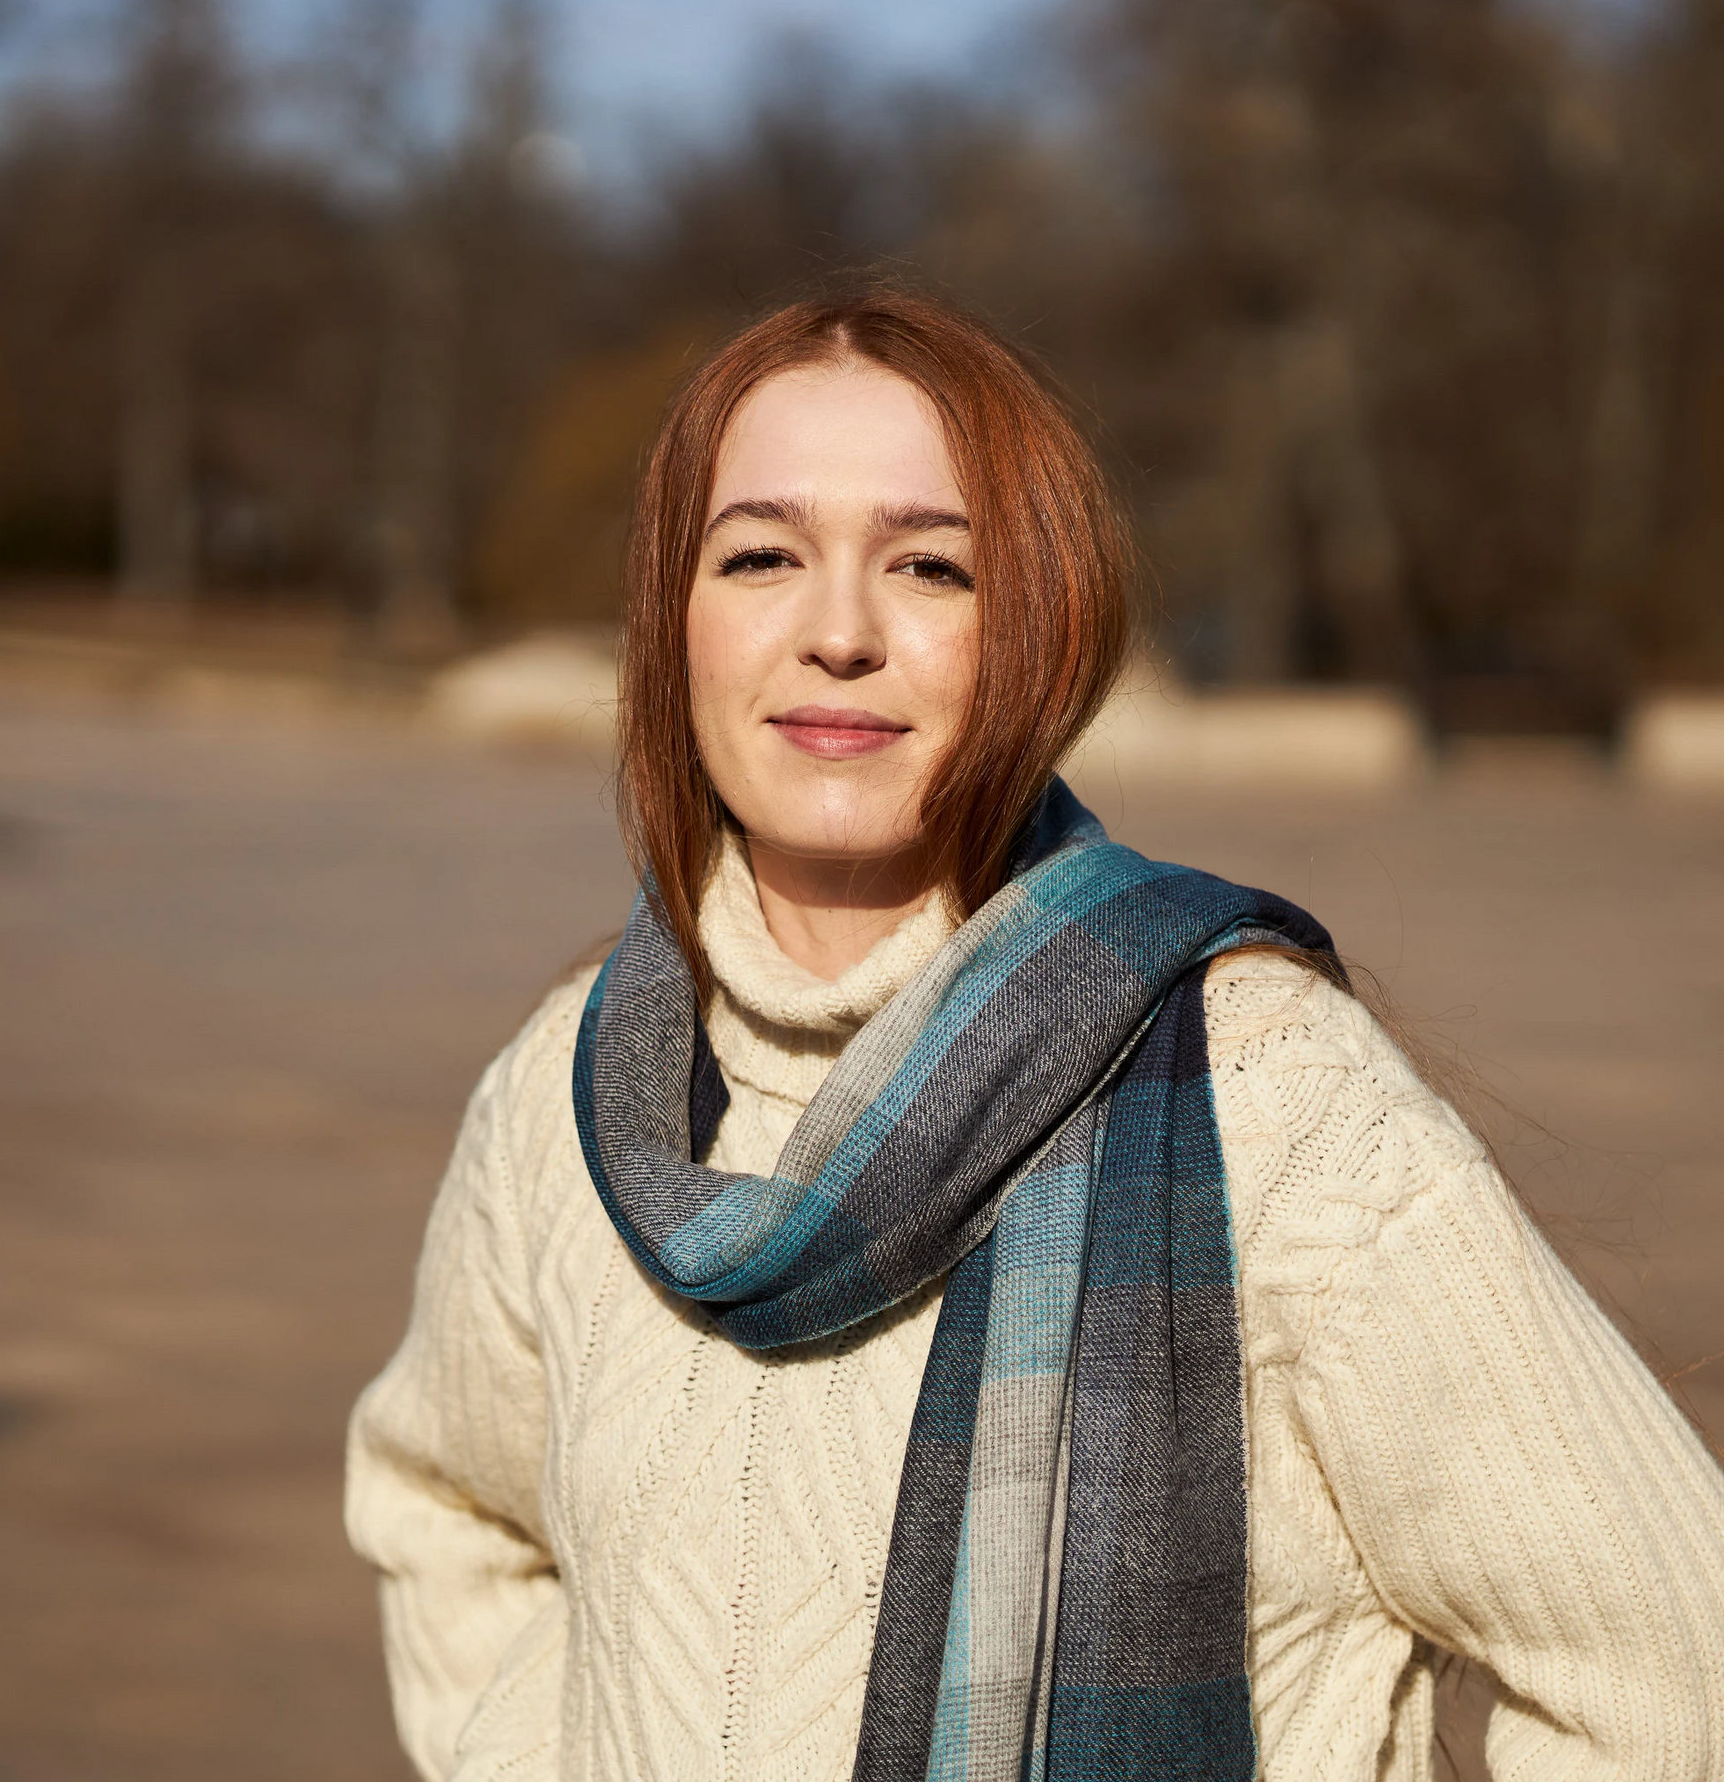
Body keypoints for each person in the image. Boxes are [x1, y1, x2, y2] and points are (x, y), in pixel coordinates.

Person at [346, 289, 1724, 1782]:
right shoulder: (567, 1096)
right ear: (671, 619)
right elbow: (449, 1515)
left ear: (1039, 635)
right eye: (761, 557)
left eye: (931, 567)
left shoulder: (1262, 1088)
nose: (838, 634)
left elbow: (1673, 1676)